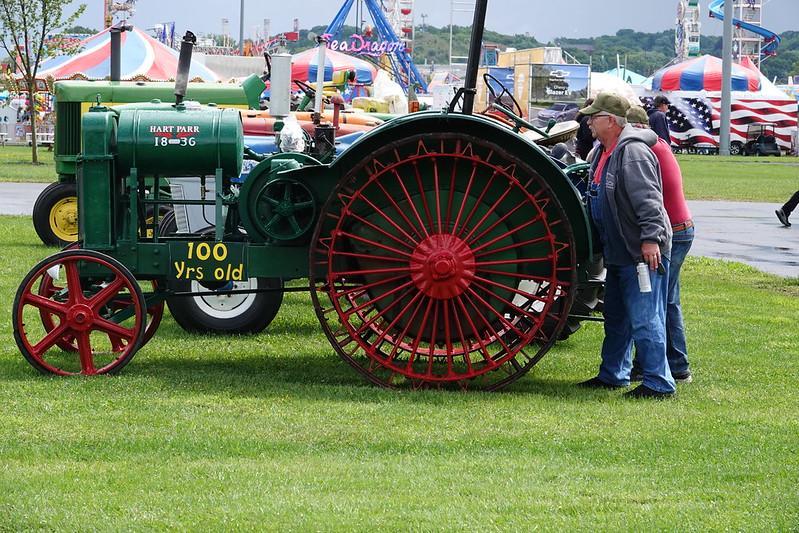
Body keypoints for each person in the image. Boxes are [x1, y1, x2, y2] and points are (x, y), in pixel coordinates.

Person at [578, 92, 676, 399]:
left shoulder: (632, 152)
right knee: (617, 317)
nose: (589, 122)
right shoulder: (601, 151)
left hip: (640, 253)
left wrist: (650, 240)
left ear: (611, 121)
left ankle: (659, 383)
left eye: (594, 117)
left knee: (645, 318)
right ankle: (613, 374)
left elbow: (649, 200)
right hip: (619, 253)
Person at [627, 106, 693, 383]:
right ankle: (673, 364)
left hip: (672, 232)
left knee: (659, 300)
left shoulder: (645, 149)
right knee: (667, 299)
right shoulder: (659, 145)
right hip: (680, 228)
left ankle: (668, 365)